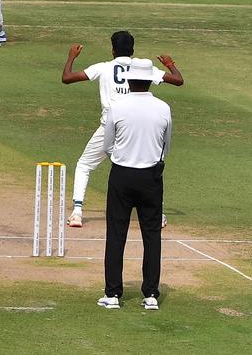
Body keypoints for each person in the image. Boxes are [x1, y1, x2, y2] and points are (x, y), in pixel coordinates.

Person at [61, 32, 183, 227]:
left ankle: (77, 212)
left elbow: (67, 78)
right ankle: (157, 214)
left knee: (84, 165)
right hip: (137, 126)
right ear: (132, 50)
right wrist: (169, 63)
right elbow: (178, 80)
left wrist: (71, 57)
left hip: (109, 126)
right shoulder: (143, 68)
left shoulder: (103, 67)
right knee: (146, 165)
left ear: (112, 50)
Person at [96, 58, 172, 311]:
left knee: (116, 234)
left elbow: (107, 145)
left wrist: (123, 157)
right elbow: (166, 146)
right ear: (150, 80)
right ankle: (150, 294)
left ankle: (113, 294)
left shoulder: (118, 106)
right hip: (151, 177)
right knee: (152, 235)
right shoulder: (163, 108)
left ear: (129, 80)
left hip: (122, 175)